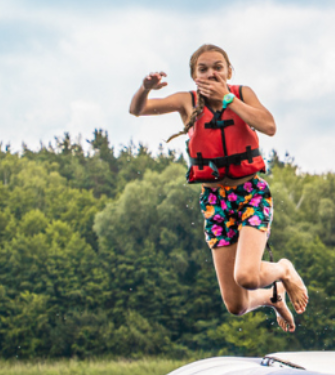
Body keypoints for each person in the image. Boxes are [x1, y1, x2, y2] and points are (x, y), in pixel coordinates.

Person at [128, 44, 308, 332]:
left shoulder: (242, 94)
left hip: (250, 194)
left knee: (247, 276)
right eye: (203, 69)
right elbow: (137, 110)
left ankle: (284, 270)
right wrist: (145, 88)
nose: (211, 73)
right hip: (215, 202)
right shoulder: (186, 101)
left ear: (229, 72)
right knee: (236, 305)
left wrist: (227, 100)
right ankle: (274, 297)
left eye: (218, 67)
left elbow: (269, 126)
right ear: (194, 76)